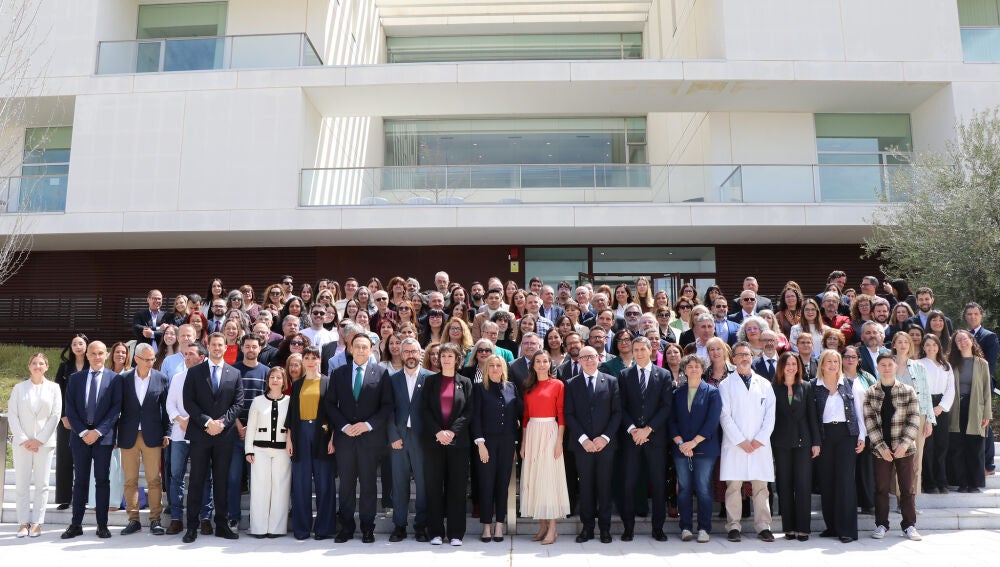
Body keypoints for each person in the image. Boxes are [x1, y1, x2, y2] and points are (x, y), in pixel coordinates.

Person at [326, 333, 393, 544]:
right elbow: (330, 404)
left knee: (368, 484)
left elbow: (387, 406)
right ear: (350, 349)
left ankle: (367, 527)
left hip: (370, 439)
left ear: (371, 350)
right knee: (346, 484)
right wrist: (344, 426)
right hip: (345, 438)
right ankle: (346, 527)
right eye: (357, 347)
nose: (361, 350)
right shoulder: (339, 373)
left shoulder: (382, 374)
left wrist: (367, 425)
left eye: (365, 347)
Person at [181, 333, 244, 543]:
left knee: (221, 481)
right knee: (197, 480)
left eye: (221, 345)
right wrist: (208, 422)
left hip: (224, 436)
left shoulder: (234, 373)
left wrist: (222, 423)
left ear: (226, 347)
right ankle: (192, 526)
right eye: (214, 344)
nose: (217, 348)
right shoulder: (195, 372)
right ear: (208, 346)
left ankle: (222, 525)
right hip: (201, 433)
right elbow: (189, 402)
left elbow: (238, 403)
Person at [62, 341, 123, 540]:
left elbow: (116, 409)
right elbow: (69, 408)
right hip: (79, 438)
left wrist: (97, 432)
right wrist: (82, 432)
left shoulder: (115, 379)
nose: (97, 357)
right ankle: (76, 524)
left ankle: (102, 525)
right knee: (79, 481)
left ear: (106, 355)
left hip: (103, 438)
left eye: (101, 353)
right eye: (93, 353)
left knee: (102, 481)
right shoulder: (75, 378)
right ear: (86, 355)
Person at [719, 341, 776, 543]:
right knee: (734, 487)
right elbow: (724, 416)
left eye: (747, 355)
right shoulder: (725, 385)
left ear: (752, 358)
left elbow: (770, 416)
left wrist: (759, 440)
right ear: (733, 360)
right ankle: (733, 526)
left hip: (760, 445)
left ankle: (763, 527)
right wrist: (741, 441)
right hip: (736, 445)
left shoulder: (765, 384)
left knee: (761, 488)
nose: (744, 358)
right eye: (740, 355)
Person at [618, 336, 673, 542]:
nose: (639, 352)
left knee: (659, 484)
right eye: (636, 349)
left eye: (643, 349)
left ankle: (658, 528)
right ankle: (628, 528)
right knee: (629, 483)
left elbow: (666, 406)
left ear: (651, 350)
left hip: (655, 438)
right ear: (632, 352)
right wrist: (633, 429)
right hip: (631, 439)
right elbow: (621, 406)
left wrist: (647, 430)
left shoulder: (664, 375)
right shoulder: (624, 375)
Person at [865, 353, 923, 541]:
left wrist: (904, 444)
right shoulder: (871, 392)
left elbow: (914, 419)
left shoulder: (908, 390)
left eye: (890, 364)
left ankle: (909, 526)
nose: (887, 368)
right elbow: (870, 422)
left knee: (907, 488)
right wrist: (881, 447)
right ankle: (881, 524)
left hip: (904, 448)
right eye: (883, 365)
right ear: (878, 368)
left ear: (895, 367)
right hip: (881, 449)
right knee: (881, 488)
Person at [564, 346, 619, 544]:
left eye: (592, 357)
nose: (589, 360)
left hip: (606, 445)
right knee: (586, 487)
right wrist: (583, 439)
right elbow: (569, 413)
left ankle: (605, 529)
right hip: (582, 446)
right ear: (578, 360)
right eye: (584, 357)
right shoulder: (571, 384)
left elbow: (616, 413)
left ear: (598, 358)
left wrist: (604, 437)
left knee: (604, 487)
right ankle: (587, 529)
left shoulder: (611, 382)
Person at [422, 343, 475, 546]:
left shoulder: (466, 382)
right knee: (434, 487)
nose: (445, 359)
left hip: (458, 443)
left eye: (450, 356)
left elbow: (468, 412)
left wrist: (452, 431)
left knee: (457, 488)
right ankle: (435, 532)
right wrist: (438, 431)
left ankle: (455, 533)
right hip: (434, 442)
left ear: (457, 359)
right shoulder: (430, 381)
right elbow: (424, 409)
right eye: (443, 355)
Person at [813, 349, 867, 543]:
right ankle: (832, 527)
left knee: (845, 481)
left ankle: (847, 530)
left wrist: (862, 436)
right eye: (828, 361)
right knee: (827, 482)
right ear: (822, 365)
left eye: (836, 361)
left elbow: (860, 412)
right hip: (825, 437)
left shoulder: (851, 384)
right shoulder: (814, 385)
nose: (833, 365)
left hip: (846, 436)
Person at [117, 343, 170, 536]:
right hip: (128, 435)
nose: (150, 362)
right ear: (136, 359)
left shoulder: (161, 378)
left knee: (154, 480)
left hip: (153, 435)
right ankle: (133, 520)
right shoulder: (123, 379)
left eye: (152, 359)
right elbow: (117, 408)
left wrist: (167, 432)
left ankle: (155, 520)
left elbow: (166, 409)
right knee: (130, 480)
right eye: (146, 359)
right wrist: (114, 434)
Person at [669, 353, 722, 544]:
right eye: (689, 366)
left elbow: (712, 421)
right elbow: (672, 421)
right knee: (683, 488)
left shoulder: (712, 392)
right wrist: (681, 443)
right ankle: (685, 527)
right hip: (681, 448)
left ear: (702, 369)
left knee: (703, 488)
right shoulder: (677, 393)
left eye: (697, 366)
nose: (693, 369)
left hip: (704, 448)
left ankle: (704, 528)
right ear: (684, 369)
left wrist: (693, 443)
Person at [8, 353, 62, 538]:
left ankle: (37, 523)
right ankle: (23, 523)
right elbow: (12, 415)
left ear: (47, 366)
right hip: (21, 444)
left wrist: (39, 439)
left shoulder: (54, 388)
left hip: (44, 444)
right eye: (34, 363)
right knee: (22, 484)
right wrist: (24, 439)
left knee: (42, 484)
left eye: (41, 363)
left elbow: (55, 415)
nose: (37, 366)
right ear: (29, 366)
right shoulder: (19, 388)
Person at [519, 351, 570, 545]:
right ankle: (542, 526)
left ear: (550, 364)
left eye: (545, 361)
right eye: (537, 361)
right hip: (532, 433)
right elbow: (525, 417)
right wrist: (524, 443)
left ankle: (553, 529)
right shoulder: (528, 387)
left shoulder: (558, 385)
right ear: (532, 365)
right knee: (536, 478)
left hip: (550, 431)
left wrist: (559, 441)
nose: (541, 365)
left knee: (549, 479)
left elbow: (561, 414)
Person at [164, 342, 215, 535]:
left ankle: (204, 518)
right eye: (185, 354)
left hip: (201, 435)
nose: (186, 357)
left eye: (191, 354)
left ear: (202, 358)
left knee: (204, 477)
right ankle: (176, 518)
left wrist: (193, 422)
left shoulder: (209, 378)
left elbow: (209, 407)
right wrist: (179, 420)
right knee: (176, 476)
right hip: (179, 434)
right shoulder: (177, 378)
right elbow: (170, 404)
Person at [286, 347, 336, 540]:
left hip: (322, 434)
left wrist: (333, 438)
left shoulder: (328, 383)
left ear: (319, 360)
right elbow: (291, 415)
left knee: (325, 483)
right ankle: (302, 528)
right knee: (301, 483)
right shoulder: (297, 384)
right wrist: (289, 439)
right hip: (300, 434)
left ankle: (324, 529)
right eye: (306, 358)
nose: (310, 361)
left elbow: (333, 413)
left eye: (313, 358)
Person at [770, 352, 820, 541]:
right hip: (780, 443)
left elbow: (812, 417)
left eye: (794, 364)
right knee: (784, 485)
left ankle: (803, 528)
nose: (791, 367)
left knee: (803, 485)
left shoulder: (806, 386)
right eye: (787, 364)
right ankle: (789, 528)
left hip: (803, 442)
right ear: (781, 367)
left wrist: (816, 442)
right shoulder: (773, 388)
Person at [471, 354, 521, 543]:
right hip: (486, 444)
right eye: (491, 365)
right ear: (486, 368)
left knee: (502, 485)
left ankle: (499, 524)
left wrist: (515, 443)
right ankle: (486, 526)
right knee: (486, 484)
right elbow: (475, 418)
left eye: (498, 365)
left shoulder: (511, 387)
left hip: (507, 444)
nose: (494, 369)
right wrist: (480, 444)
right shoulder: (479, 388)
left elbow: (517, 415)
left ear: (503, 369)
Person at [387, 338, 433, 543]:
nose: (410, 355)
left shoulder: (431, 378)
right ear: (401, 354)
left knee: (423, 485)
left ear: (420, 353)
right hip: (399, 438)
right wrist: (392, 436)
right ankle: (399, 525)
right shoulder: (391, 379)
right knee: (399, 484)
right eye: (407, 352)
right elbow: (386, 410)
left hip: (422, 438)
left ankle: (421, 526)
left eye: (414, 351)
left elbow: (434, 412)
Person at [244, 366, 292, 538]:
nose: (275, 380)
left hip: (282, 451)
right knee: (259, 488)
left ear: (284, 381)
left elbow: (291, 427)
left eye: (279, 377)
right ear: (268, 380)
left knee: (281, 488)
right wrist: (249, 449)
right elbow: (251, 427)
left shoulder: (289, 401)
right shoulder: (258, 401)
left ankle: (277, 529)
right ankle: (258, 528)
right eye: (272, 377)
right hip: (260, 450)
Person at [228, 335, 269, 529]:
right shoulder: (233, 370)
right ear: (242, 348)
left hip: (258, 433)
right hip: (235, 433)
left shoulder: (266, 372)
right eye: (247, 346)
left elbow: (268, 403)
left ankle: (257, 517)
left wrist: (251, 428)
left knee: (257, 479)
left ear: (260, 348)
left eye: (254, 346)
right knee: (234, 477)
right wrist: (238, 425)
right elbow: (228, 401)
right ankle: (233, 517)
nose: (251, 349)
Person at [890, 332, 935, 496]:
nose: (902, 345)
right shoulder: (887, 365)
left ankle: (911, 500)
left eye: (906, 342)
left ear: (910, 345)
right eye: (899, 342)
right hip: (894, 417)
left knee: (916, 460)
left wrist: (929, 420)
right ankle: (899, 497)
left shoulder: (919, 367)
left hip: (918, 416)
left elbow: (926, 393)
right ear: (894, 344)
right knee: (897, 458)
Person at [949, 330, 992, 493]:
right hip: (955, 408)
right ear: (955, 345)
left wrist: (987, 413)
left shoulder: (982, 363)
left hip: (976, 408)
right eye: (958, 340)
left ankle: (974, 484)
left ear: (971, 340)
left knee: (975, 447)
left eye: (964, 339)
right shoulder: (951, 363)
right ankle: (962, 482)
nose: (962, 342)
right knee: (958, 446)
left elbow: (987, 390)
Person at [54, 334, 89, 511]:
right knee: (65, 458)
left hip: (88, 421)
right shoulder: (64, 367)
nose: (77, 346)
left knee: (85, 459)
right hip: (67, 419)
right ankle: (64, 498)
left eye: (80, 343)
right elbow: (57, 393)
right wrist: (63, 416)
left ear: (86, 346)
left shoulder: (93, 366)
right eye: (74, 343)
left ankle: (86, 496)